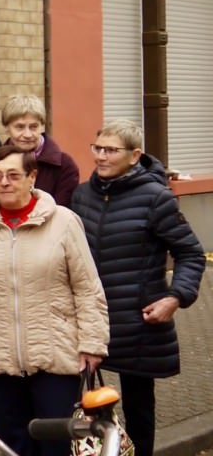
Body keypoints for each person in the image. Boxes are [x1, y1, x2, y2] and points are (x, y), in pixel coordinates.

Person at [0, 145, 108, 456]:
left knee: (56, 442)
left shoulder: (64, 222)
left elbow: (87, 288)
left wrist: (92, 342)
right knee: (10, 444)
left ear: (32, 177)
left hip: (55, 355)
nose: (4, 182)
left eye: (13, 175)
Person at [71, 120, 205, 456]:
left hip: (138, 321)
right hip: (88, 320)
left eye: (110, 150)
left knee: (138, 408)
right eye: (97, 148)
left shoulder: (155, 197)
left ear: (134, 156)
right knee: (77, 403)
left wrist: (174, 298)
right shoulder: (82, 194)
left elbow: (190, 253)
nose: (100, 156)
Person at [0, 94, 79, 216]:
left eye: (33, 127)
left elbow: (62, 215)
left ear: (42, 126)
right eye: (20, 127)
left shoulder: (64, 166)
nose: (27, 134)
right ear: (7, 127)